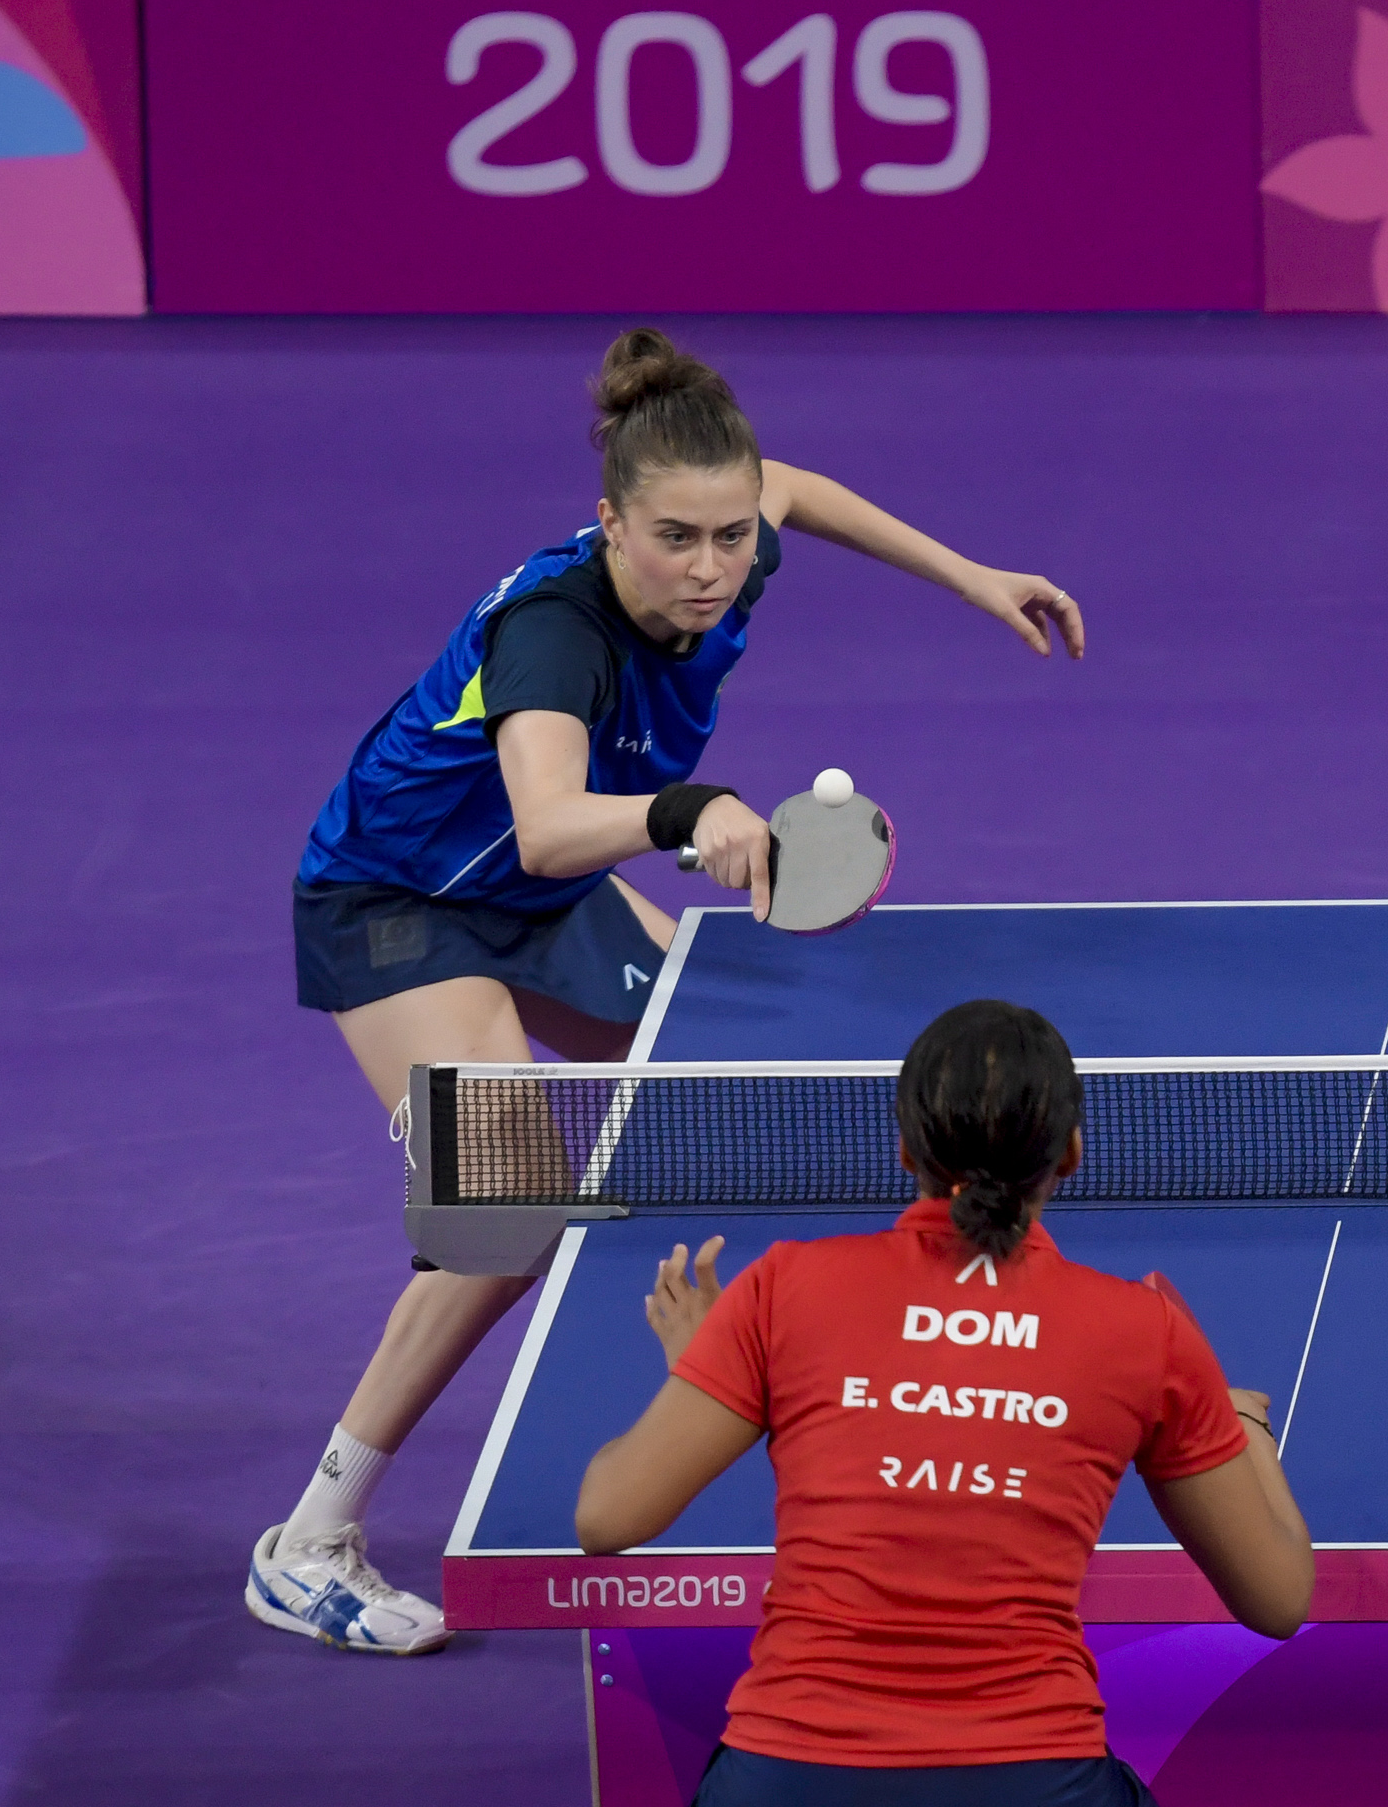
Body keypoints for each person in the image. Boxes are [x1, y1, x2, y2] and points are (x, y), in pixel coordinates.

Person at [248, 331, 1089, 1655]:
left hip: (536, 902)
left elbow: (799, 491)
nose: (709, 567)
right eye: (674, 540)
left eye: (727, 536)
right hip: (403, 906)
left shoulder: (740, 532)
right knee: (507, 1216)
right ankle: (310, 1542)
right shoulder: (553, 638)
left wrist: (972, 577)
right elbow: (543, 823)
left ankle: (910, 1407)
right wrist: (691, 812)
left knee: (737, 1074)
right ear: (610, 526)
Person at [578, 999, 1314, 1805]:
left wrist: (701, 1368)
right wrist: (1241, 1426)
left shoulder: (784, 1288)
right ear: (1071, 1152)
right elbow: (1278, 1600)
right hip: (1034, 1780)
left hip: (789, 1777)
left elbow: (608, 1517)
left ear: (904, 1150)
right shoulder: (1146, 1331)